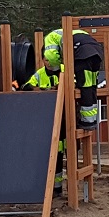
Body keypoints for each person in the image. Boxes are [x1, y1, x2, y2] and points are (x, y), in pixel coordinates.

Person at [44, 28, 104, 131]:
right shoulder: (72, 32)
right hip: (96, 51)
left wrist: (56, 69)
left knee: (85, 86)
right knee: (92, 85)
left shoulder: (49, 38)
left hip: (82, 52)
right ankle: (92, 120)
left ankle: (87, 122)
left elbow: (51, 57)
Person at [23, 56, 65, 197]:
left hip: (65, 118)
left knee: (63, 153)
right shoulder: (40, 74)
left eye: (52, 59)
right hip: (46, 119)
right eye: (46, 60)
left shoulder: (64, 70)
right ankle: (54, 187)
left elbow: (74, 84)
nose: (49, 63)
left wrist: (59, 88)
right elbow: (26, 87)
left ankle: (59, 187)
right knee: (49, 154)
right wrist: (43, 90)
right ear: (42, 60)